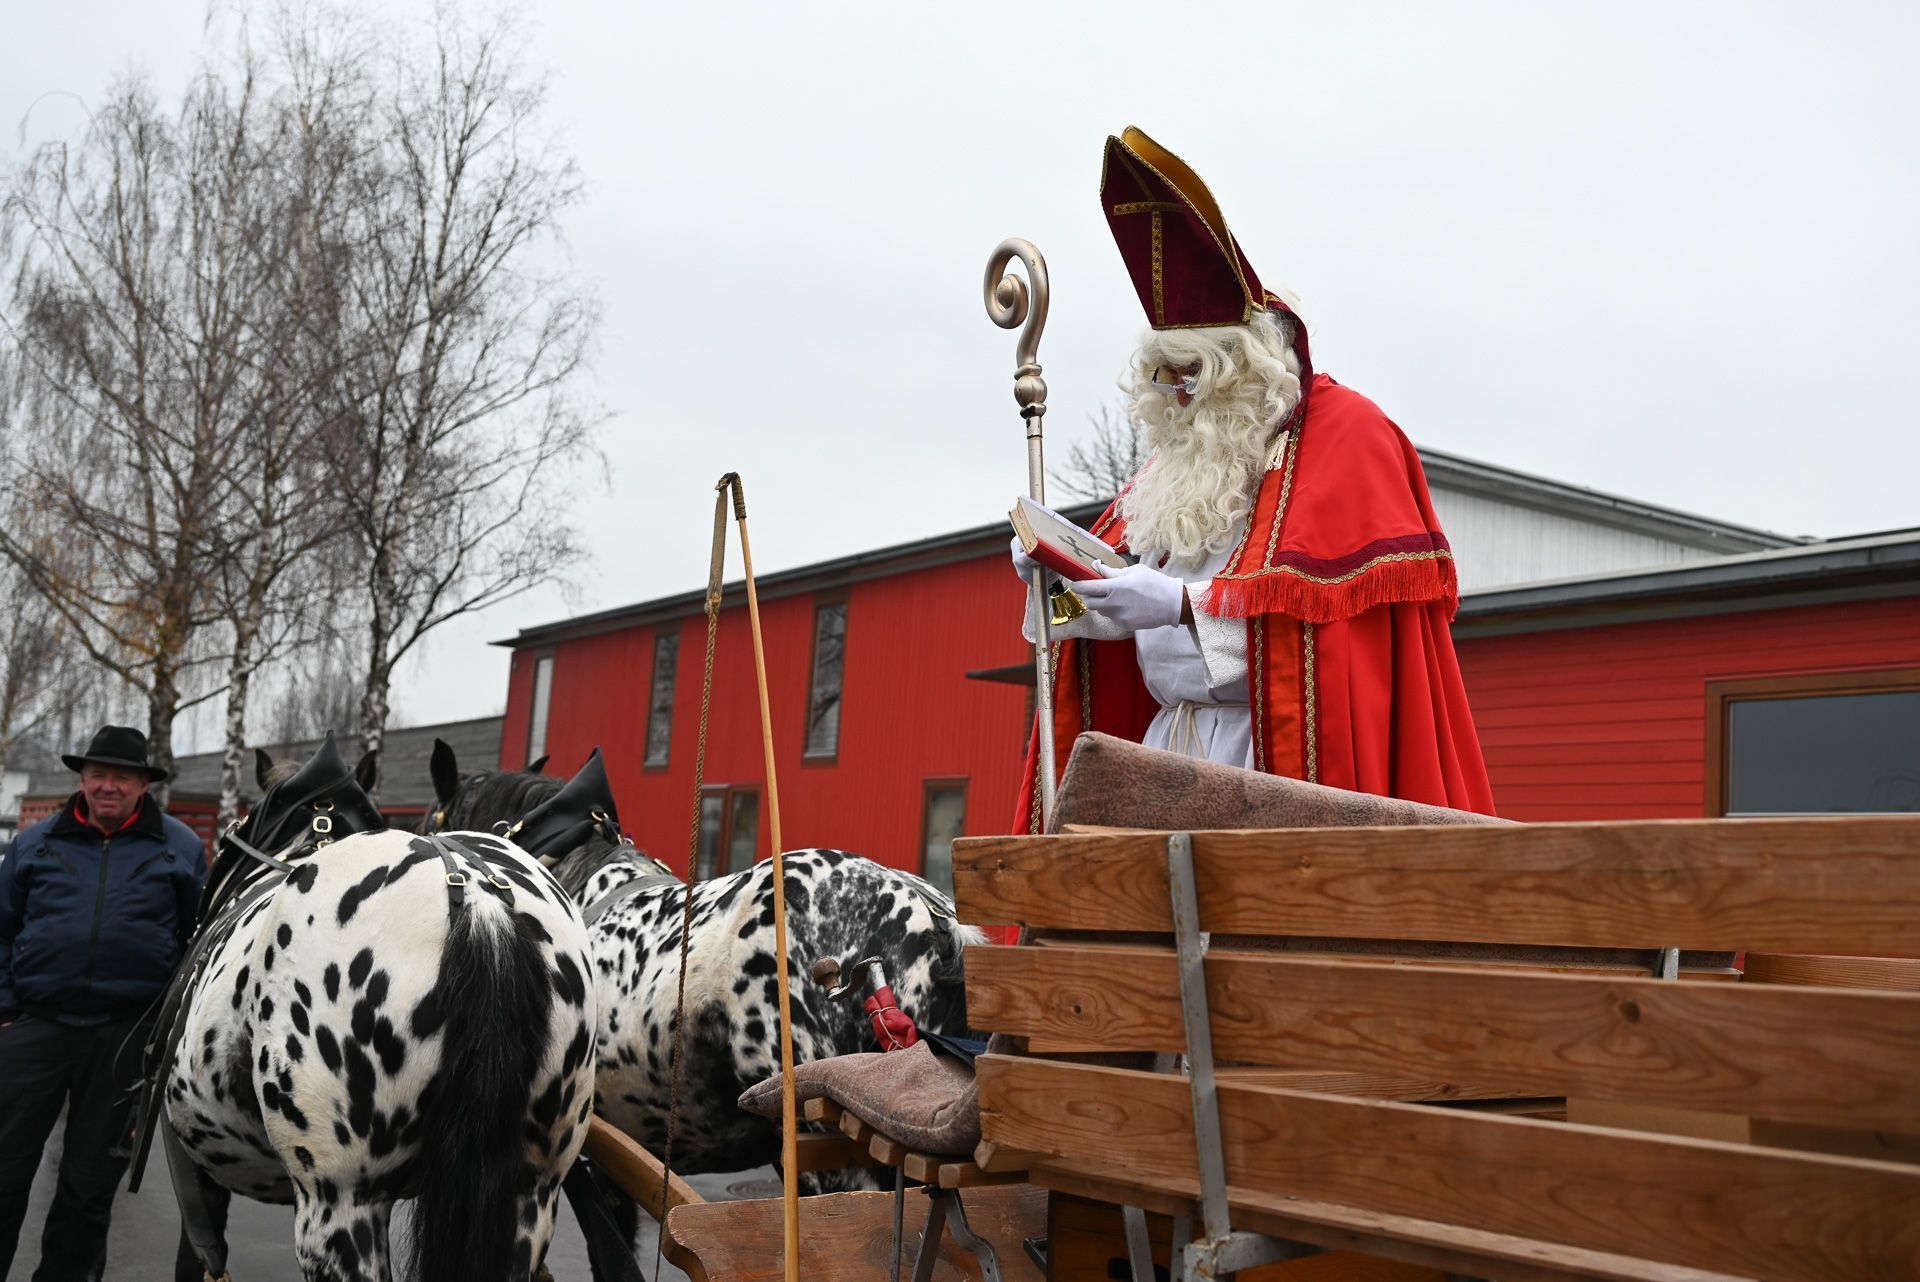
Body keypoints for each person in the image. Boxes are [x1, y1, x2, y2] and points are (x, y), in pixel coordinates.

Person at [1013, 127, 1494, 829]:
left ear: (1245, 367)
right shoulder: (1178, 467)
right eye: (1162, 376)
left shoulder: (1351, 439)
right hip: (1152, 762)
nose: (1176, 397)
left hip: (1268, 774)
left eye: (1192, 375)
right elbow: (1106, 623)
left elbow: (1328, 648)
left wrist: (1183, 605)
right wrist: (1053, 584)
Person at [0, 725, 206, 1281]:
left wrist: (163, 1025)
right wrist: (5, 1010)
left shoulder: (179, 848)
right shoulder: (35, 843)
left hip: (124, 1037)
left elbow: (198, 940)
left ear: (143, 784)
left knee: (88, 1189)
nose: (107, 785)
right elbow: (1, 927)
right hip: (33, 1028)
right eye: (98, 774)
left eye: (122, 776)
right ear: (82, 780)